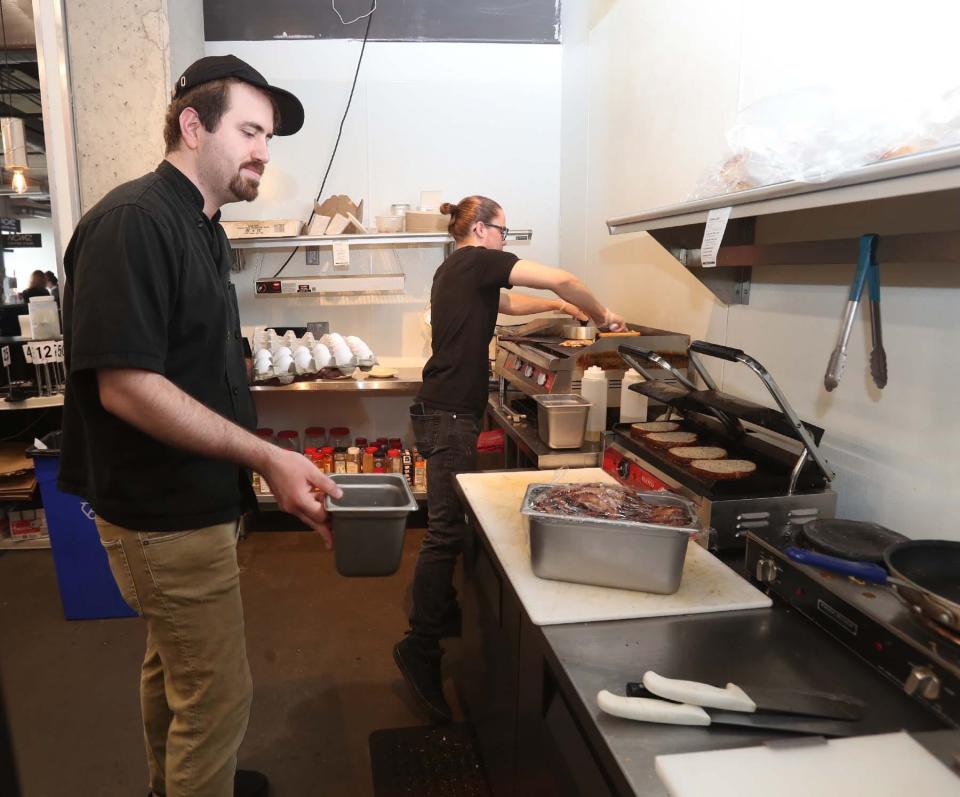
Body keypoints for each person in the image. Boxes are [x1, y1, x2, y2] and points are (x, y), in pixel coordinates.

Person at [60, 55, 341, 797]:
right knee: (218, 699)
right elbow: (126, 387)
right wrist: (266, 457)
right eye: (250, 131)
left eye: (269, 137)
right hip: (162, 512)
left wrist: (254, 466)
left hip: (195, 502)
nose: (263, 152)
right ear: (193, 125)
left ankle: (167, 786)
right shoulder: (132, 223)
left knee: (174, 666)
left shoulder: (203, 228)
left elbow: (193, 366)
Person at [393, 195, 625, 723]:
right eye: (504, 231)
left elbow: (509, 305)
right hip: (450, 414)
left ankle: (439, 610)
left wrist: (562, 310)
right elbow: (563, 277)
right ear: (480, 229)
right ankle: (419, 646)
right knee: (446, 531)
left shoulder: (454, 268)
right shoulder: (477, 259)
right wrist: (599, 312)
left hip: (443, 409)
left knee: (448, 525)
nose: (506, 240)